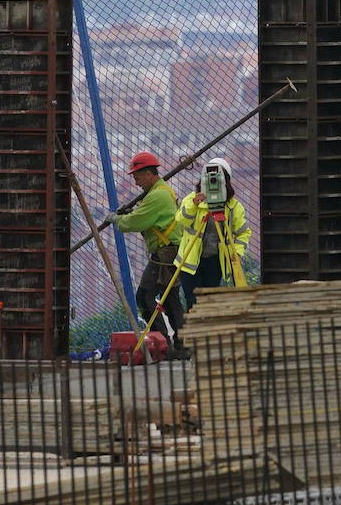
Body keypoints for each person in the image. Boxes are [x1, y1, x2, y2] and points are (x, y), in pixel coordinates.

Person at [104, 150, 186, 355]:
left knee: (144, 297)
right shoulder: (162, 192)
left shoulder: (157, 195)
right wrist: (131, 213)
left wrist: (117, 219)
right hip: (171, 252)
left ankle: (165, 345)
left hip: (164, 255)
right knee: (171, 299)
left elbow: (136, 222)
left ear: (149, 174)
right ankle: (182, 346)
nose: (136, 183)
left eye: (138, 178)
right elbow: (147, 216)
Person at [173, 157, 251, 310]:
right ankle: (196, 332)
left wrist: (236, 253)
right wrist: (195, 204)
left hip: (214, 262)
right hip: (190, 262)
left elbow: (243, 233)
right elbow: (181, 220)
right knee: (193, 303)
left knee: (209, 303)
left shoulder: (233, 207)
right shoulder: (192, 199)